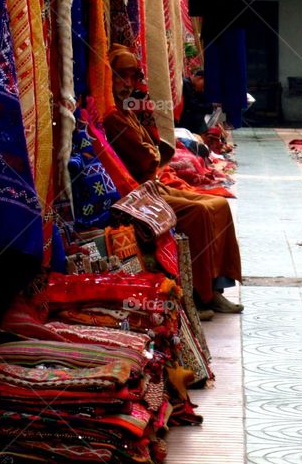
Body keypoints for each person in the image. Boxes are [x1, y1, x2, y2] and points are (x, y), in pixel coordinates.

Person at [103, 48, 244, 313]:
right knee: (199, 212)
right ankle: (199, 295)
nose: (128, 84)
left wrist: (152, 150)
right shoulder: (113, 118)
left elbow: (153, 152)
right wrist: (152, 153)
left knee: (219, 205)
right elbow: (148, 159)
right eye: (122, 77)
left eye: (132, 78)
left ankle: (216, 290)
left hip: (153, 187)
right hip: (137, 197)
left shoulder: (126, 112)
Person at [178, 69, 214, 134]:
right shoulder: (185, 84)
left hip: (195, 126)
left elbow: (210, 109)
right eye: (204, 86)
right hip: (186, 127)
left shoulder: (197, 90)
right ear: (199, 78)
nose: (203, 89)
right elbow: (192, 105)